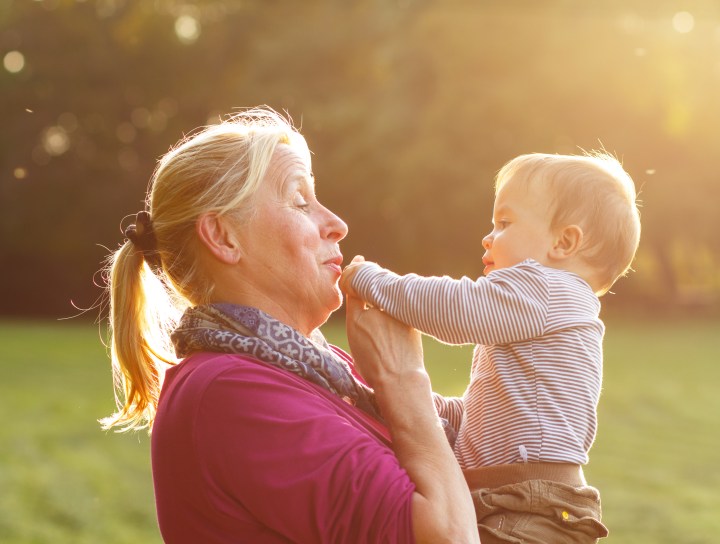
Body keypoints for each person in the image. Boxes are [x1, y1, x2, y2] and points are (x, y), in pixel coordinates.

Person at [99, 107, 479, 543]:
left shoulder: (320, 368)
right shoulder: (229, 392)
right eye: (300, 201)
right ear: (223, 237)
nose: (336, 224)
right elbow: (448, 537)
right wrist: (404, 378)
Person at [341, 151, 642, 543]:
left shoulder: (549, 289)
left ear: (564, 242)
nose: (488, 237)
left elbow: (455, 309)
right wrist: (425, 405)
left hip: (530, 506)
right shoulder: (544, 314)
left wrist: (373, 280)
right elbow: (485, 413)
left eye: (504, 223)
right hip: (520, 501)